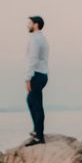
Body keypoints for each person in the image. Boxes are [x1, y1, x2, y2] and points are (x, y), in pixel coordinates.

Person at [24, 15, 50, 146]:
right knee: (31, 101)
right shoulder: (43, 39)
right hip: (43, 74)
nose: (28, 25)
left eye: (30, 23)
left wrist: (28, 78)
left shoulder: (35, 39)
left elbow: (33, 59)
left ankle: (39, 136)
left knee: (36, 105)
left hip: (36, 74)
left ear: (36, 25)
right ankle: (37, 131)